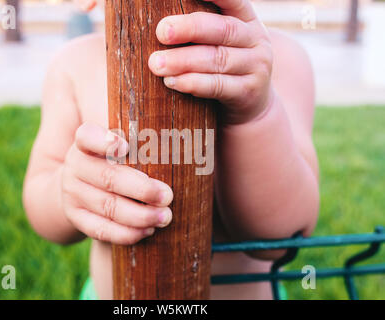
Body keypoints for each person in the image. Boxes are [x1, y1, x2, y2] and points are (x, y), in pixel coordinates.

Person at [23, 0, 320, 300]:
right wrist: (67, 191)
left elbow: (284, 238)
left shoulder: (279, 60)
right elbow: (40, 197)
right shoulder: (74, 63)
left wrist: (256, 114)